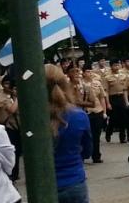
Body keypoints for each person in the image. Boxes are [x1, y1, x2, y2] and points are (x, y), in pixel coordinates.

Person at [46, 63, 92, 203]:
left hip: (45, 185)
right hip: (74, 181)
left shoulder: (33, 119)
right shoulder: (78, 116)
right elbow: (87, 151)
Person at [70, 67, 105, 165]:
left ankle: (95, 155)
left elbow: (93, 103)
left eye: (78, 73)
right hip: (72, 115)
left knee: (93, 135)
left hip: (88, 113)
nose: (77, 75)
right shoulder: (66, 88)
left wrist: (80, 102)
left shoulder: (86, 87)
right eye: (74, 72)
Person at [104, 60, 129, 144]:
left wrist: (126, 101)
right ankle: (108, 132)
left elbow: (125, 89)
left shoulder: (123, 76)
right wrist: (108, 103)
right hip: (112, 98)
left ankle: (122, 137)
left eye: (118, 65)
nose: (117, 67)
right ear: (111, 66)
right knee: (113, 118)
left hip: (121, 97)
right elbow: (106, 91)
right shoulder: (107, 77)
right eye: (115, 65)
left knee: (123, 118)